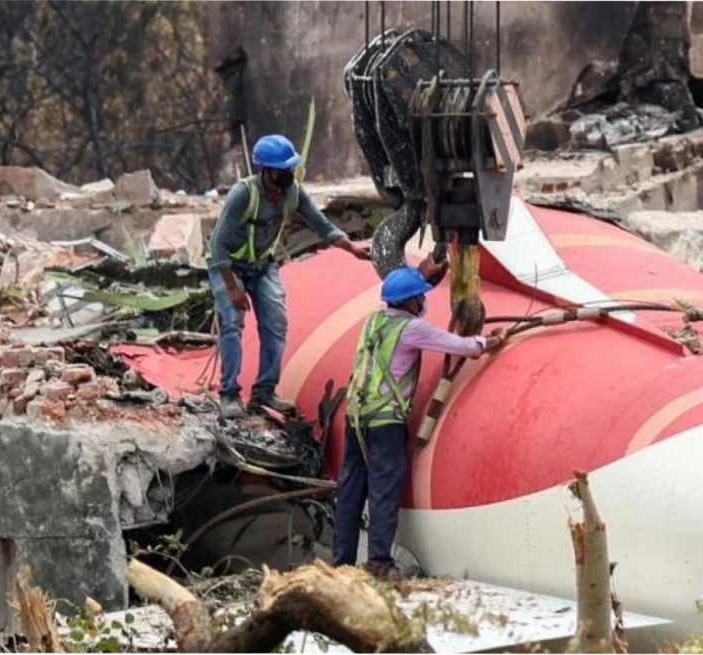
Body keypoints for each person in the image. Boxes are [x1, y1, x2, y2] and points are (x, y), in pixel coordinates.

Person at [333, 265, 504, 579]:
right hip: (386, 423)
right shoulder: (411, 328)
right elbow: (460, 345)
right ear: (411, 302)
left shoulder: (373, 322)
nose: (423, 301)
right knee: (383, 491)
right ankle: (379, 563)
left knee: (351, 490)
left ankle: (341, 563)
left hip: (356, 416)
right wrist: (488, 342)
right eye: (421, 296)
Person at [208, 134, 371, 419]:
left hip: (262, 266)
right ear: (266, 171)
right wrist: (233, 288)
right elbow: (217, 243)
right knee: (232, 324)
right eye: (283, 170)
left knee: (276, 324)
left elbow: (321, 225)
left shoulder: (293, 192)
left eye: (290, 168)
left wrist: (351, 248)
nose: (289, 174)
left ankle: (264, 392)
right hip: (229, 267)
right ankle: (229, 394)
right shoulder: (243, 194)